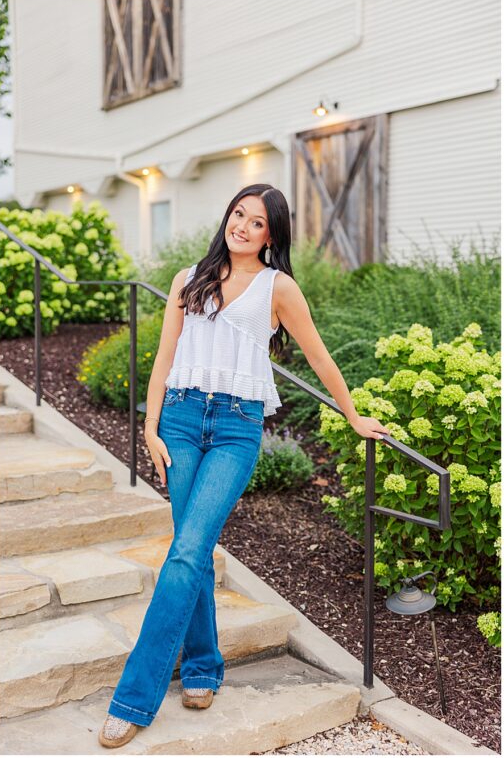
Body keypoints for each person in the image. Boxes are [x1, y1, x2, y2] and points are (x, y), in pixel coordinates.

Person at [98, 183, 390, 748]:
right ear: (227, 217)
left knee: (185, 552)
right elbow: (164, 357)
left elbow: (318, 353)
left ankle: (133, 698)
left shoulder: (278, 288)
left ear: (271, 236)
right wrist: (149, 426)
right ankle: (203, 668)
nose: (243, 227)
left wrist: (353, 415)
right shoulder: (188, 280)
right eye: (238, 215)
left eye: (257, 223)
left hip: (235, 429)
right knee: (193, 549)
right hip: (180, 421)